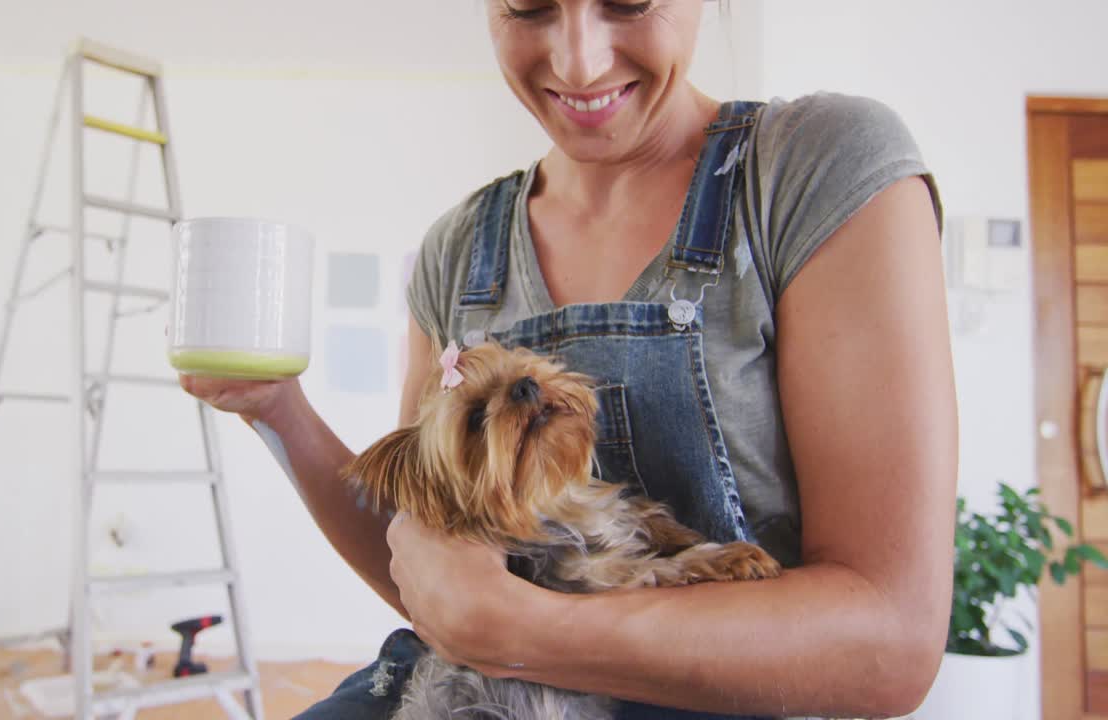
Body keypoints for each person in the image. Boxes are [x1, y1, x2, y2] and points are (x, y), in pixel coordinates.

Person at [180, 1, 957, 718]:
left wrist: (527, 627)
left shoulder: (815, 170)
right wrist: (278, 411)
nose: (579, 63)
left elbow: (888, 643)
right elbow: (433, 587)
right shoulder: (456, 250)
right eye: (530, 3)